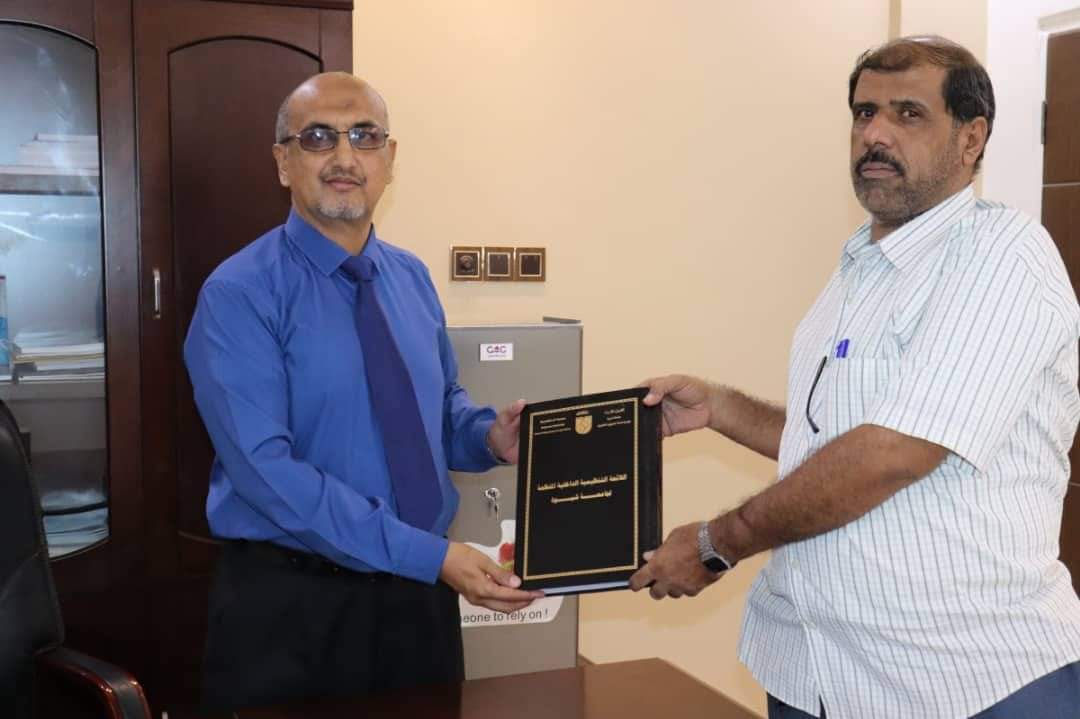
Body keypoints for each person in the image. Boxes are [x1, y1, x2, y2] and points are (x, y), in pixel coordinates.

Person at [629, 36, 1080, 719]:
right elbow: (835, 438)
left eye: (908, 114)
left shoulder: (1002, 256)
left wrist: (717, 544)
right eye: (864, 113)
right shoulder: (856, 270)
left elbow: (891, 452)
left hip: (966, 682)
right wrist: (720, 408)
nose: (875, 134)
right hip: (816, 672)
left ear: (971, 138)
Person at [184, 72, 542, 709]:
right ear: (283, 162)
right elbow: (268, 473)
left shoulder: (410, 278)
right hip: (296, 610)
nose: (345, 157)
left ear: (390, 158)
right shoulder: (239, 294)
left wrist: (488, 436)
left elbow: (438, 407)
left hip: (419, 603)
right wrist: (429, 556)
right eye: (319, 137)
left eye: (365, 136)